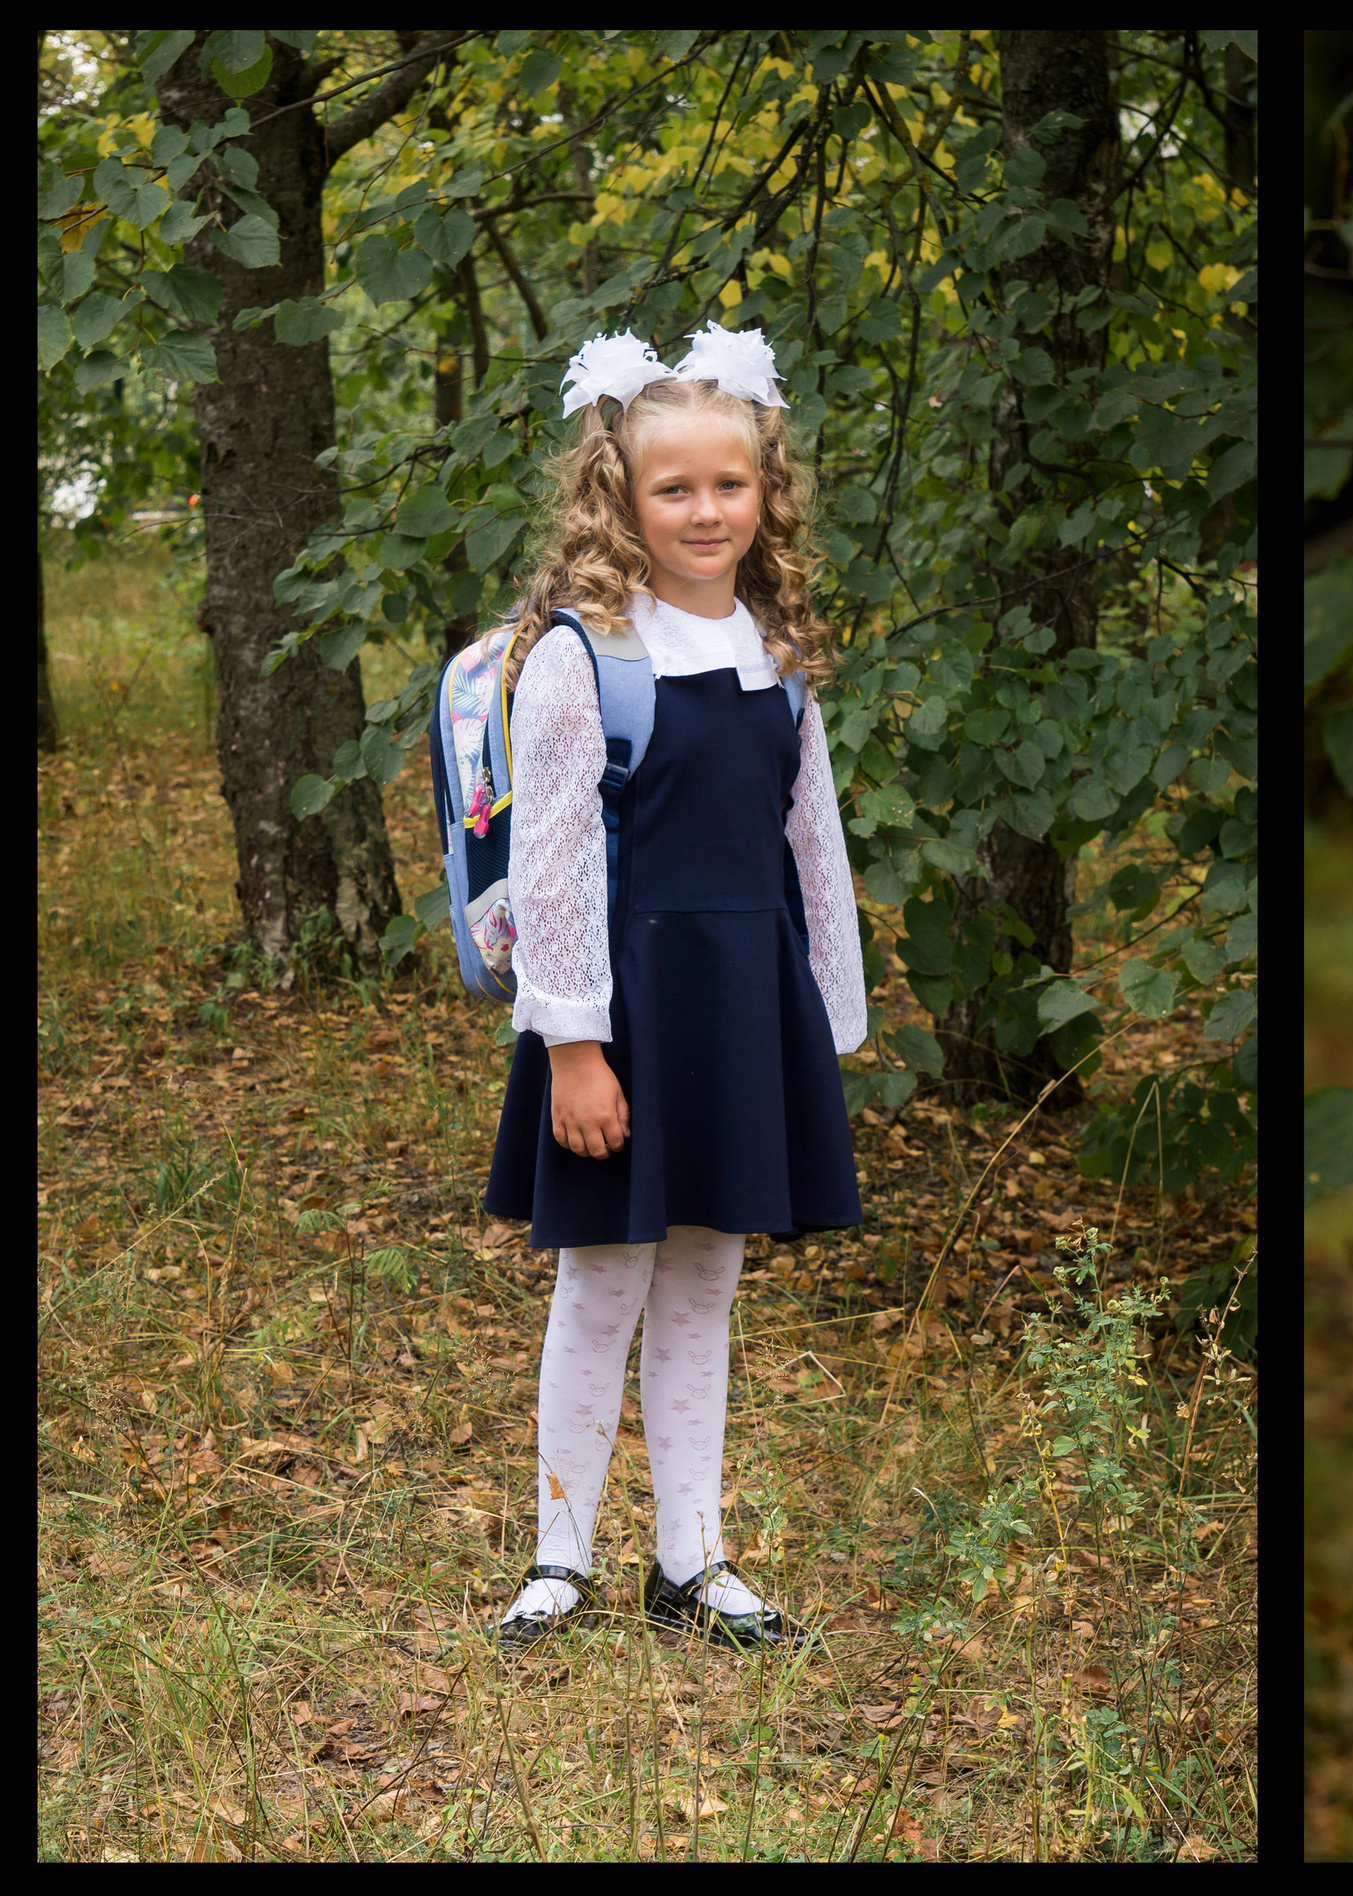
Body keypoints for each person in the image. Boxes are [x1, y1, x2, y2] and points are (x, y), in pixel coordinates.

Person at [479, 323, 868, 1655]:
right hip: (626, 1014)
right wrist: (573, 1048)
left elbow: (810, 840)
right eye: (674, 488)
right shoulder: (588, 655)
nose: (707, 512)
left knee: (705, 1282)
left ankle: (691, 1560)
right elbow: (550, 865)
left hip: (741, 1011)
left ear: (766, 491)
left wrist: (822, 1014)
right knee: (602, 1283)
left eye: (730, 484)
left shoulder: (777, 651)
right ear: (620, 497)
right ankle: (559, 1557)